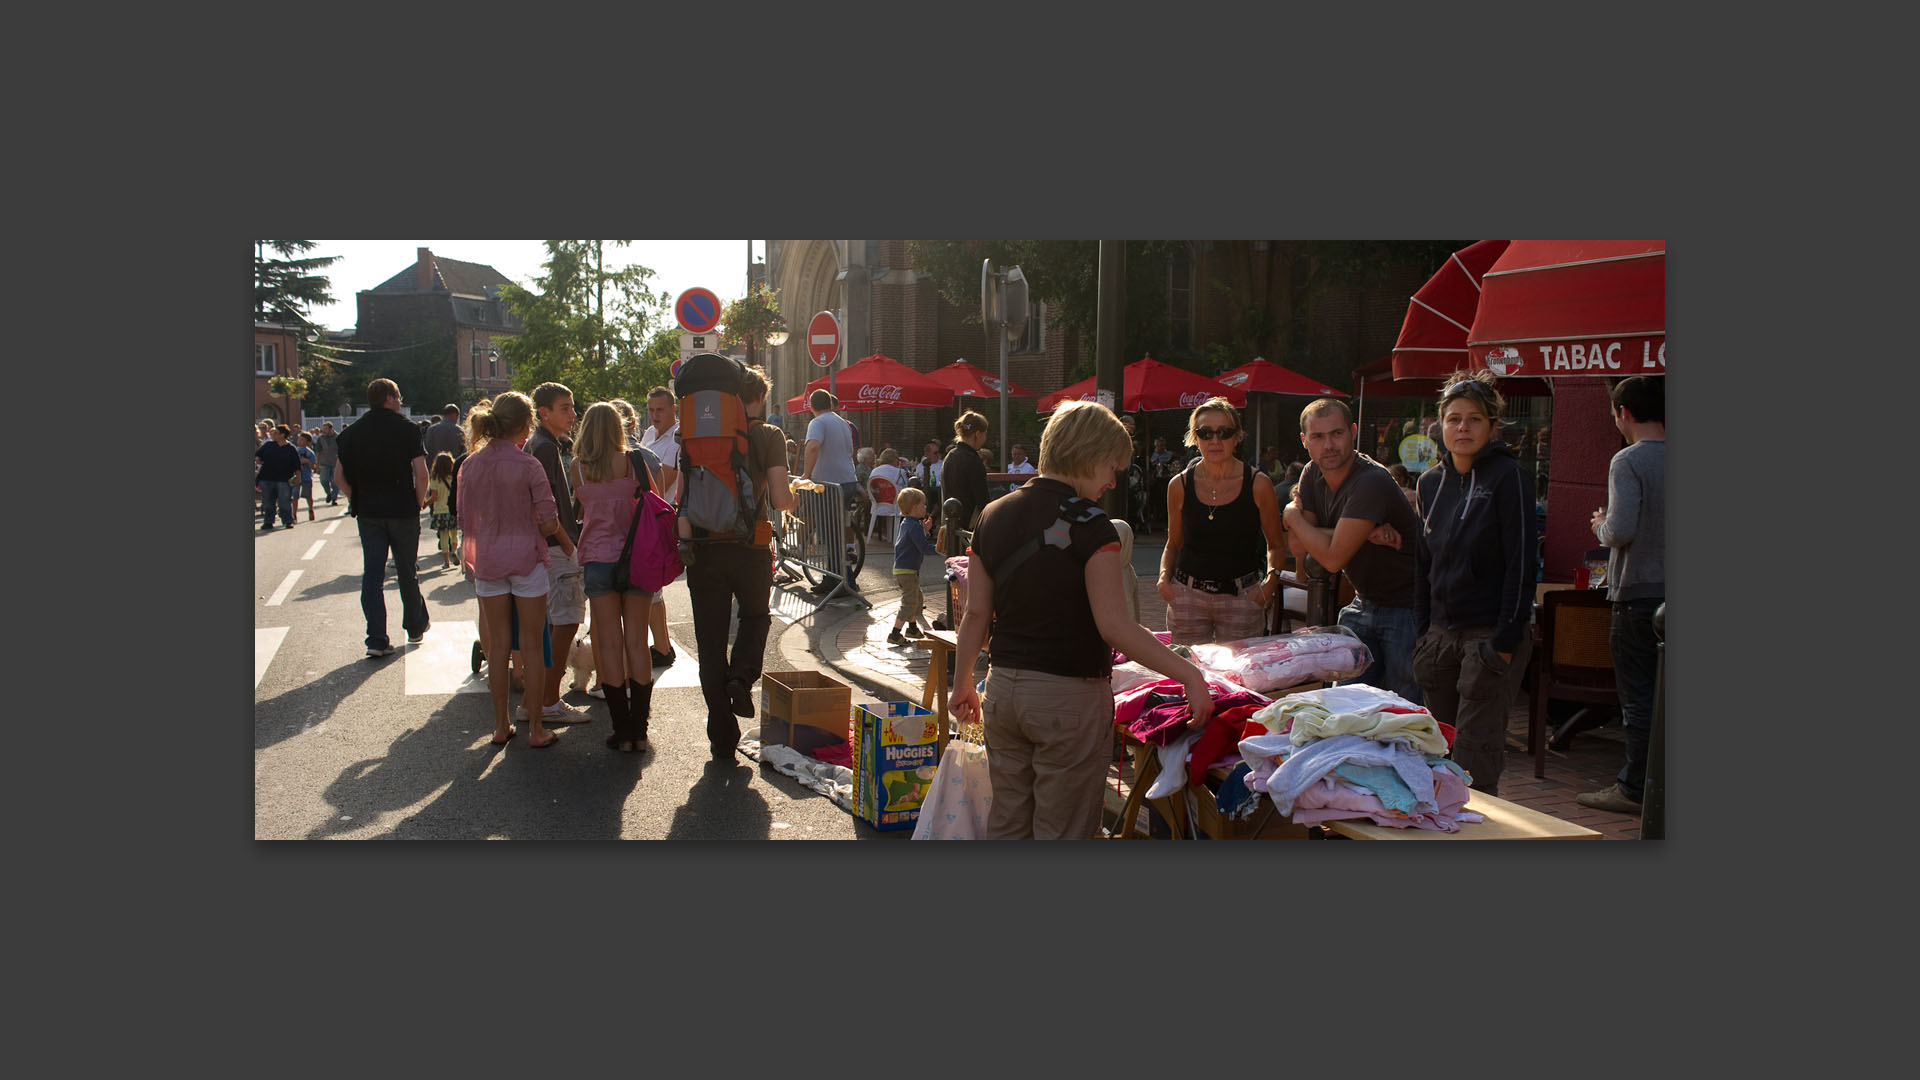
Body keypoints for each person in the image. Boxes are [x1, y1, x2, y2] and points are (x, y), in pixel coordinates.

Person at [949, 401, 1214, 839]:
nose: (1112, 482)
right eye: (1111, 467)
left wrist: (962, 683)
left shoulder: (993, 515)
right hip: (1067, 698)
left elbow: (976, 613)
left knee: (1008, 823)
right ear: (1087, 455)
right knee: (1064, 830)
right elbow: (1116, 627)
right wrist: (1189, 674)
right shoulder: (1093, 526)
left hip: (1002, 689)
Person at [1412, 370, 1538, 796]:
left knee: (1474, 758)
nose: (1462, 428)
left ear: (1492, 426)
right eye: (1453, 419)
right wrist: (1422, 630)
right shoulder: (1430, 482)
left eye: (1474, 419)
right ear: (1439, 425)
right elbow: (1423, 563)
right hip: (1440, 635)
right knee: (1435, 751)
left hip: (1488, 635)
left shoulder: (1508, 477)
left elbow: (1523, 561)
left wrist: (1504, 641)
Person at [1283, 397, 1429, 703]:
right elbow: (1298, 546)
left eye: (1336, 434)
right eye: (1318, 437)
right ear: (1304, 441)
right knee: (1346, 709)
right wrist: (1359, 534)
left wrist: (1291, 516)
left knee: (1404, 713)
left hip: (1407, 608)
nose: (1329, 445)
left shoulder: (1371, 480)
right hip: (1364, 603)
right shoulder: (1312, 473)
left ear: (1353, 432)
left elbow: (1333, 559)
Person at [686, 363, 795, 760]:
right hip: (750, 547)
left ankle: (722, 732)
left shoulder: (696, 436)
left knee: (709, 640)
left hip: (704, 548)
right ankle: (742, 676)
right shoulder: (767, 434)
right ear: (760, 397)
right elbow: (781, 498)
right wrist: (794, 497)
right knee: (755, 617)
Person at [457, 392, 572, 749]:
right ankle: (536, 728)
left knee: (498, 647)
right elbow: (550, 519)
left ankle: (499, 725)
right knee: (533, 646)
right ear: (526, 425)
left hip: (489, 562)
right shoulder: (528, 465)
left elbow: (465, 517)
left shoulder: (471, 465)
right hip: (526, 560)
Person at [1577, 376, 1666, 816]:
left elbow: (1621, 529)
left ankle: (1636, 787)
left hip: (1638, 597)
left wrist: (1599, 524)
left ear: (1623, 413)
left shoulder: (1627, 460)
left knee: (1640, 699)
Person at [568, 402, 667, 753]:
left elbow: (581, 509)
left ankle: (621, 730)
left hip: (598, 560)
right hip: (638, 560)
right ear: (618, 427)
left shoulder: (577, 469)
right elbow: (656, 503)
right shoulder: (634, 462)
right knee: (637, 642)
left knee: (608, 644)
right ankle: (640, 730)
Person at [1156, 398, 1286, 646]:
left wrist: (1269, 585)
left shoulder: (1258, 484)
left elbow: (1276, 545)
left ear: (1237, 437)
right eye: (1205, 433)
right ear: (1195, 438)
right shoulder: (1179, 485)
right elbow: (1173, 544)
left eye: (1224, 433)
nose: (1215, 440)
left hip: (1242, 596)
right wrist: (1164, 578)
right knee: (1188, 674)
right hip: (1188, 596)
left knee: (1239, 678)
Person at [334, 378, 432, 657]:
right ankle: (414, 626)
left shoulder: (351, 433)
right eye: (398, 396)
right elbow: (421, 473)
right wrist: (418, 501)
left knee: (373, 574)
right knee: (406, 571)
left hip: (369, 512)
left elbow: (339, 476)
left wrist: (357, 496)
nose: (400, 401)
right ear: (389, 398)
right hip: (402, 509)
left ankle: (376, 639)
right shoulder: (407, 429)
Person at [523, 381, 590, 724]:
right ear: (543, 412)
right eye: (565, 407)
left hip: (551, 544)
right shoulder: (545, 448)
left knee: (554, 624)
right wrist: (567, 542)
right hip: (557, 545)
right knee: (565, 622)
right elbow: (545, 508)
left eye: (572, 407)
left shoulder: (544, 443)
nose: (573, 414)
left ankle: (535, 701)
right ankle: (549, 700)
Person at [637, 387, 682, 670]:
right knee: (653, 591)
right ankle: (662, 646)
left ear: (673, 409)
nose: (654, 416)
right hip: (645, 516)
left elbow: (661, 481)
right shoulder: (649, 435)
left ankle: (658, 647)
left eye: (660, 410)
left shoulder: (676, 441)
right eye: (651, 410)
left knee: (649, 589)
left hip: (657, 516)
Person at [802, 388, 861, 595]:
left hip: (829, 484)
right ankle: (838, 578)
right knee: (837, 533)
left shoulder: (817, 422)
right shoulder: (842, 422)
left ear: (811, 406)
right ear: (830, 403)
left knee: (832, 534)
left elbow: (812, 448)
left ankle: (843, 581)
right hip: (847, 481)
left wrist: (806, 475)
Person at [887, 487, 940, 646]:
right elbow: (923, 547)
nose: (925, 507)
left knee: (917, 599)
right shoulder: (914, 526)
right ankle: (895, 634)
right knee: (910, 602)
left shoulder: (908, 523)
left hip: (906, 569)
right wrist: (941, 548)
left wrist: (925, 530)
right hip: (907, 570)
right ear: (915, 507)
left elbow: (914, 541)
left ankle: (912, 628)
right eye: (923, 505)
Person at [941, 411, 990, 534]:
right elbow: (981, 498)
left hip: (950, 523)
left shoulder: (950, 456)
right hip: (967, 528)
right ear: (977, 434)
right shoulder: (973, 460)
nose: (985, 438)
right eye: (985, 434)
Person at [254, 424, 300, 530]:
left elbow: (296, 465)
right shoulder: (269, 445)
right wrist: (258, 459)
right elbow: (258, 455)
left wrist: (298, 477)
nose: (273, 434)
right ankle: (268, 521)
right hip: (267, 478)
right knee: (268, 501)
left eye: (276, 433)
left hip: (283, 479)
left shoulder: (290, 448)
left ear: (282, 435)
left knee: (284, 501)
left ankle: (287, 520)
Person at [425, 451, 458, 571]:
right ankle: (454, 551)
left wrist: (425, 504)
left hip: (440, 511)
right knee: (454, 534)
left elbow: (434, 497)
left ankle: (446, 561)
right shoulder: (453, 477)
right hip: (452, 510)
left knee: (444, 536)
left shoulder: (435, 479)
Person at [313, 421, 340, 505]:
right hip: (324, 462)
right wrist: (317, 464)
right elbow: (317, 451)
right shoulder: (321, 438)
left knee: (334, 481)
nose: (323, 430)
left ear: (331, 429)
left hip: (335, 462)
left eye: (326, 428)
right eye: (323, 428)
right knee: (323, 480)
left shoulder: (338, 437)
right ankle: (329, 493)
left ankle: (334, 498)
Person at [294, 432, 319, 522]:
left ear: (307, 442)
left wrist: (307, 461)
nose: (299, 441)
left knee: (308, 495)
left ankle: (310, 509)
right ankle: (294, 514)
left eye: (302, 440)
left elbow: (313, 467)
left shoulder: (309, 452)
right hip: (296, 477)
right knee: (295, 496)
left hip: (306, 477)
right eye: (299, 439)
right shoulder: (294, 451)